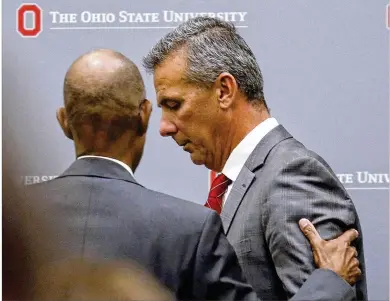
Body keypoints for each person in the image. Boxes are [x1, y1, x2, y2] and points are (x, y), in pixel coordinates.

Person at [29, 49, 359, 301]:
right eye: (162, 108)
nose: (165, 126)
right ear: (143, 115)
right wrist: (330, 279)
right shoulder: (188, 231)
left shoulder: (12, 219)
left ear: (63, 121)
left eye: (173, 104)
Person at [143, 16, 367, 300]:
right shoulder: (241, 182)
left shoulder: (293, 176)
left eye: (174, 105)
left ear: (224, 91)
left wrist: (331, 282)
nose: (164, 127)